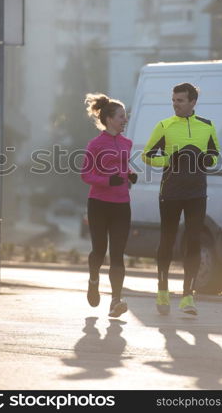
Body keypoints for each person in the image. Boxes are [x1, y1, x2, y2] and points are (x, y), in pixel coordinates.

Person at [142, 83, 219, 316]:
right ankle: (162, 292)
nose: (175, 104)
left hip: (197, 193)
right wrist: (169, 159)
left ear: (193, 102)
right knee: (167, 240)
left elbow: (215, 157)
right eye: (174, 100)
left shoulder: (207, 126)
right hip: (171, 193)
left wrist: (203, 160)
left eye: (180, 100)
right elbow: (147, 156)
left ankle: (188, 297)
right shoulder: (164, 126)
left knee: (193, 241)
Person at [81, 93, 137, 318]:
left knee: (117, 254)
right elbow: (86, 174)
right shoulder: (95, 144)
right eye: (122, 116)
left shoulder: (127, 143)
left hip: (122, 204)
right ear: (110, 119)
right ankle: (93, 279)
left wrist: (130, 174)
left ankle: (115, 300)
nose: (125, 120)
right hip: (99, 204)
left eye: (125, 116)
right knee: (99, 250)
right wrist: (107, 181)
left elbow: (123, 167)